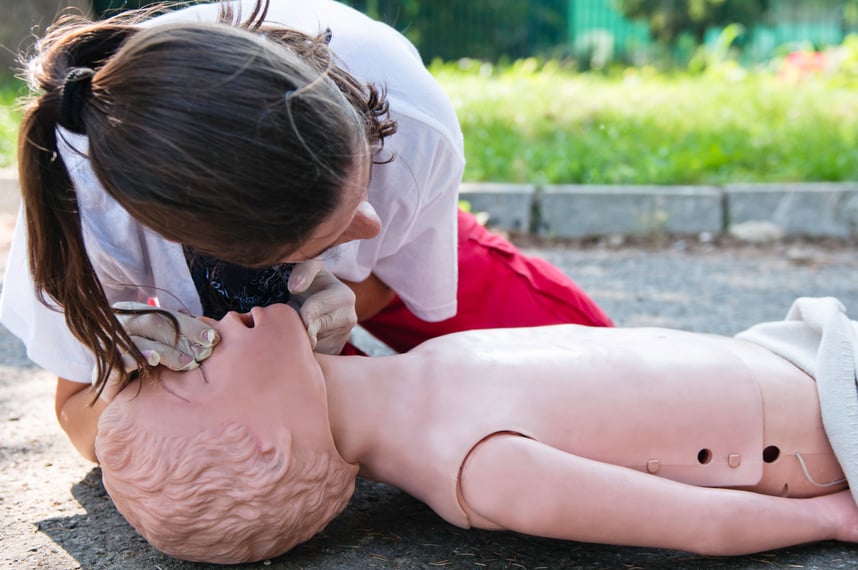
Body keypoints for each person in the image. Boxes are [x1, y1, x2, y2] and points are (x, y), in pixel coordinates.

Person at [0, 0, 612, 463]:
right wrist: (138, 379)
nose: (364, 224)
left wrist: (333, 303)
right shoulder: (79, 211)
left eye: (358, 191)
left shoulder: (411, 123)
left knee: (604, 389)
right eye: (330, 230)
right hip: (235, 288)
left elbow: (384, 267)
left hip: (399, 244)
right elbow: (77, 417)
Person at [95, 299, 858, 564]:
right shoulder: (475, 468)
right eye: (194, 368)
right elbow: (694, 522)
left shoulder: (418, 376)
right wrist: (825, 517)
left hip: (795, 350)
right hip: (830, 426)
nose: (204, 331)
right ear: (268, 448)